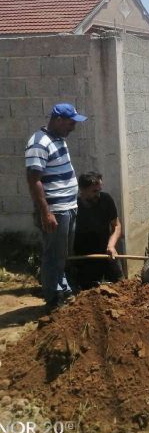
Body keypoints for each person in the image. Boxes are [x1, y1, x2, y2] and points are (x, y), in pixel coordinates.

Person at [25, 103, 87, 313]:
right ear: (58, 120)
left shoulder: (58, 139)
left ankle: (63, 288)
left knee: (62, 254)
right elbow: (34, 180)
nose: (73, 128)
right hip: (56, 210)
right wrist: (46, 212)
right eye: (70, 123)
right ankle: (53, 298)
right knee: (53, 255)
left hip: (68, 207)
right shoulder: (39, 143)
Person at [71, 171, 123, 290]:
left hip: (106, 252)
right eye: (94, 191)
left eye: (99, 190)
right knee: (87, 290)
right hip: (84, 256)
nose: (98, 194)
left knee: (121, 285)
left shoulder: (106, 200)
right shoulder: (74, 206)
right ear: (82, 190)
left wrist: (111, 246)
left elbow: (116, 226)